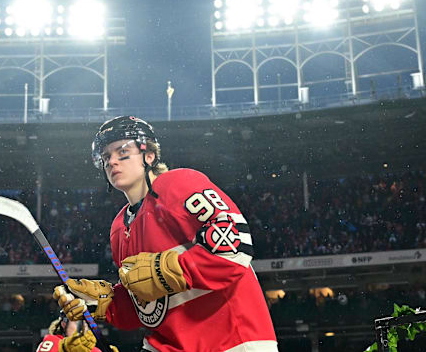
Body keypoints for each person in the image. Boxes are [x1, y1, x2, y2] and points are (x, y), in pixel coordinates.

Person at [54, 116, 278, 351]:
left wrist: (169, 270)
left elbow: (235, 244)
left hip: (231, 340)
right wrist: (106, 303)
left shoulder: (179, 183)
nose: (112, 161)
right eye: (106, 156)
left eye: (122, 152)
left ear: (149, 155)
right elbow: (150, 306)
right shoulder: (119, 227)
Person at [36, 312, 118, 352]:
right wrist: (65, 348)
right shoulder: (51, 341)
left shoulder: (94, 350)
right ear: (64, 324)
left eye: (85, 324)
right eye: (77, 323)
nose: (83, 328)